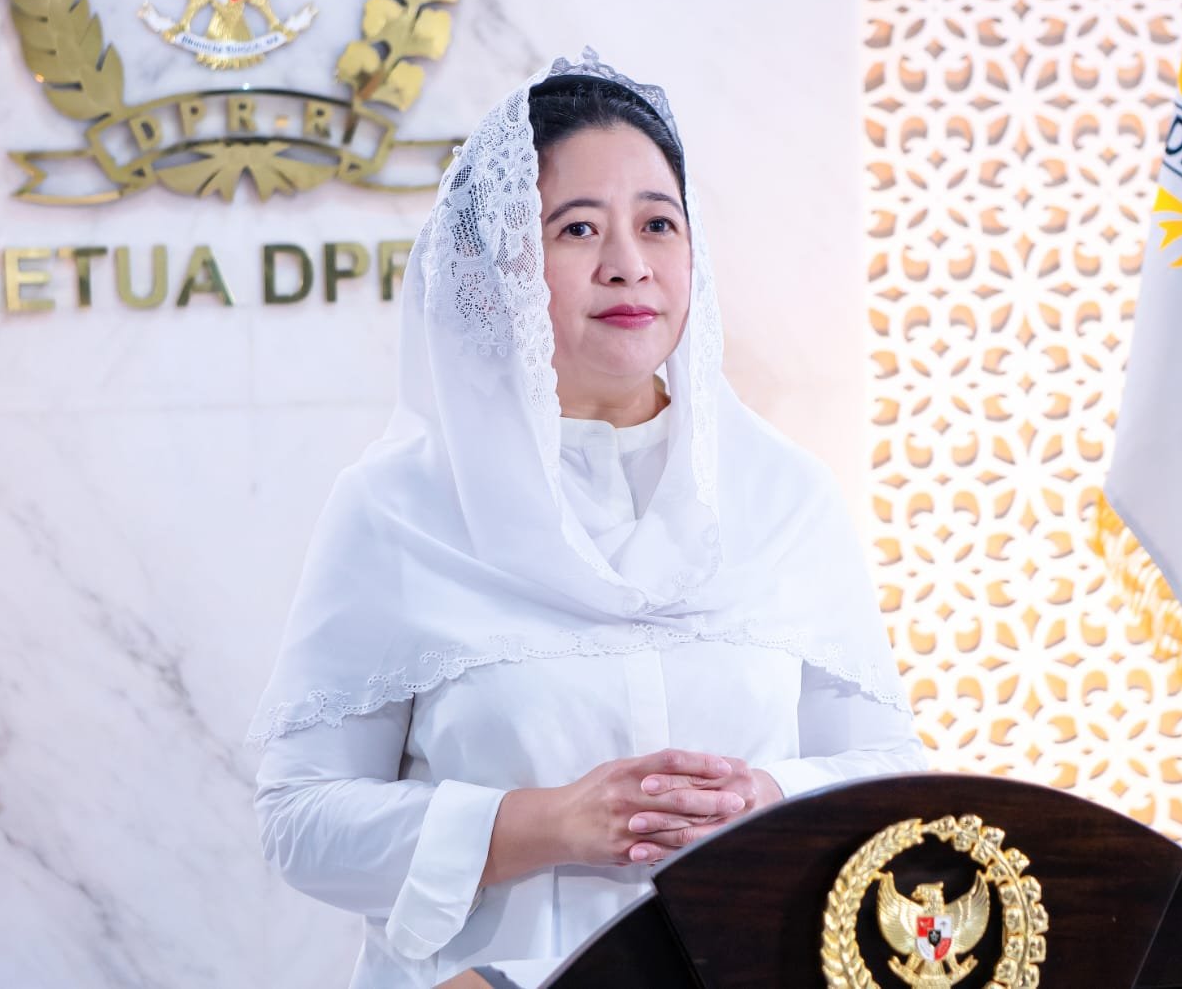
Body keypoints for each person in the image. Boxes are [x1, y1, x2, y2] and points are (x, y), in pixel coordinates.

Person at [246, 50, 926, 989]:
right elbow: (300, 819)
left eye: (658, 224)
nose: (629, 266)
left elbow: (889, 774)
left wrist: (768, 798)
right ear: (499, 266)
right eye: (577, 229)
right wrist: (544, 822)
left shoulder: (786, 497)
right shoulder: (400, 506)